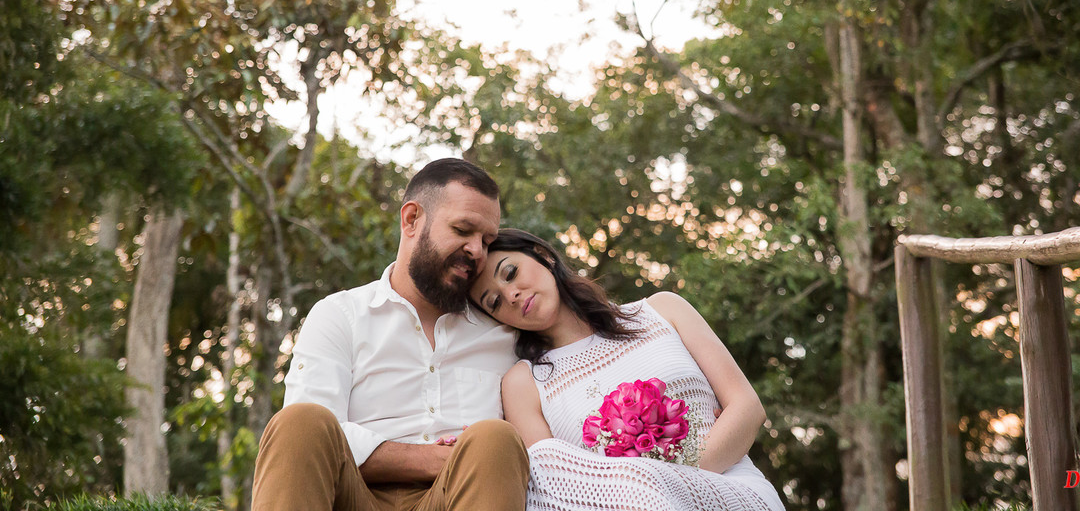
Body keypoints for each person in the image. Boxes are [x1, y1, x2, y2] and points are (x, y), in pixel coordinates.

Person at [251, 158, 530, 511]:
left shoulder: (504, 334)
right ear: (411, 219)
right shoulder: (340, 315)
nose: (477, 251)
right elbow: (312, 437)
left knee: (495, 438)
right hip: (350, 496)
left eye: (487, 240)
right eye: (463, 230)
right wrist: (433, 459)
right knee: (299, 422)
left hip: (459, 498)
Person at [469, 229, 785, 511]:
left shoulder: (664, 311)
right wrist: (650, 490)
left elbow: (747, 407)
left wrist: (676, 482)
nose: (511, 295)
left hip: (735, 489)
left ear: (542, 256)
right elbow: (554, 488)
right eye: (494, 302)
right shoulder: (524, 383)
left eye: (510, 273)